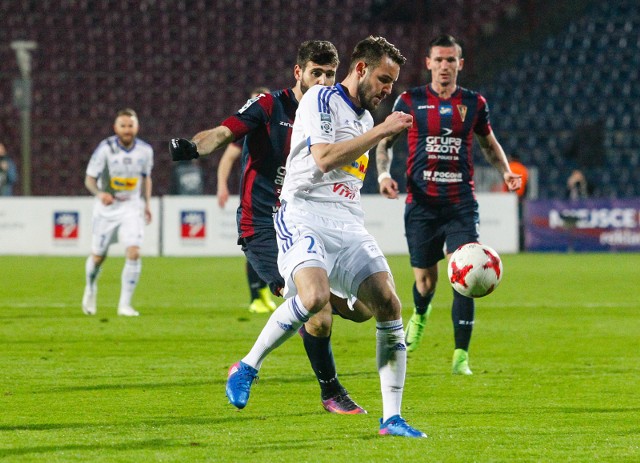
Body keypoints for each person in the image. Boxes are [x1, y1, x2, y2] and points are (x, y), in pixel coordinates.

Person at [224, 36, 427, 438]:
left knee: (387, 304)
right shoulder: (320, 98)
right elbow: (325, 158)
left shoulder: (367, 119)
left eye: (393, 83)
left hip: (348, 222)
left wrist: (377, 132)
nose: (389, 90)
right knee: (314, 298)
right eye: (384, 79)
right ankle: (247, 366)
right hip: (302, 213)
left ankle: (393, 418)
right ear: (362, 69)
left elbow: (347, 175)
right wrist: (384, 130)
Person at [170, 40, 371, 414]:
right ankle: (327, 391)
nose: (324, 81)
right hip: (262, 225)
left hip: (309, 219)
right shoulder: (269, 105)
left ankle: (326, 384)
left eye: (330, 74)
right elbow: (224, 132)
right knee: (319, 309)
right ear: (299, 73)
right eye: (316, 73)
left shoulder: (336, 113)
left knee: (362, 311)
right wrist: (194, 148)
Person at [376, 34, 521, 375]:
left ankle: (460, 357)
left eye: (450, 60)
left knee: (466, 272)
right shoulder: (409, 101)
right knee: (425, 283)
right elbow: (385, 142)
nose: (444, 66)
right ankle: (421, 313)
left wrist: (506, 172)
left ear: (460, 64)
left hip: (460, 203)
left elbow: (489, 143)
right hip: (421, 204)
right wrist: (383, 175)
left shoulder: (474, 102)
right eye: (438, 60)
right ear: (428, 64)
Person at [82, 108, 154, 317]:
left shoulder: (145, 151)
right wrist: (100, 194)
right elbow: (89, 179)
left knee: (134, 251)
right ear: (116, 128)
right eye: (123, 126)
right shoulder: (105, 149)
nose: (127, 129)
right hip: (107, 208)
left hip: (131, 205)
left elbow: (146, 178)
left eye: (130, 125)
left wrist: (147, 204)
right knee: (98, 256)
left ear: (137, 127)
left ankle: (125, 305)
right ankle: (91, 287)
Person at [216, 86, 277, 315]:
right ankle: (256, 297)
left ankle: (263, 294)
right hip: (256, 198)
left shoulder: (281, 127)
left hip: (281, 196)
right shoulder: (247, 130)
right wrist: (222, 186)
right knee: (256, 241)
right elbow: (227, 159)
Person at [502, 153, 528, 251]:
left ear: (511, 158)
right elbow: (526, 187)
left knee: (508, 223)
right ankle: (521, 246)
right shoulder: (523, 169)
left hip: (509, 199)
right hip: (519, 200)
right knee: (520, 223)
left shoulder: (509, 168)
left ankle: (508, 244)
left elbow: (505, 185)